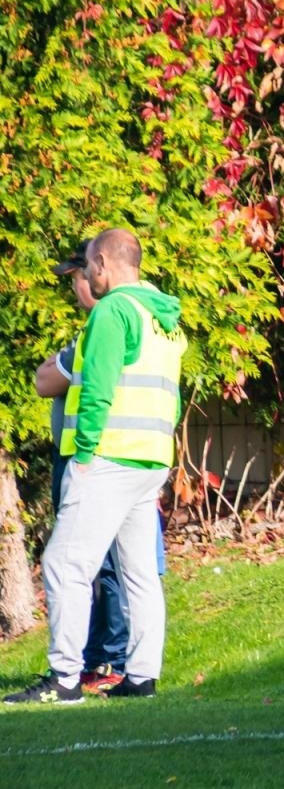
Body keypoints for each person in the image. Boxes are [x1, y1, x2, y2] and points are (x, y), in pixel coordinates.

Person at [7, 229, 186, 705]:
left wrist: (84, 455)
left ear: (104, 262)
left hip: (108, 455)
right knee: (139, 573)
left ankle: (65, 679)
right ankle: (142, 677)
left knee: (65, 564)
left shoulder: (114, 311)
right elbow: (173, 392)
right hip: (150, 457)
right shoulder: (164, 316)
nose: (85, 275)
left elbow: (100, 389)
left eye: (88, 266)